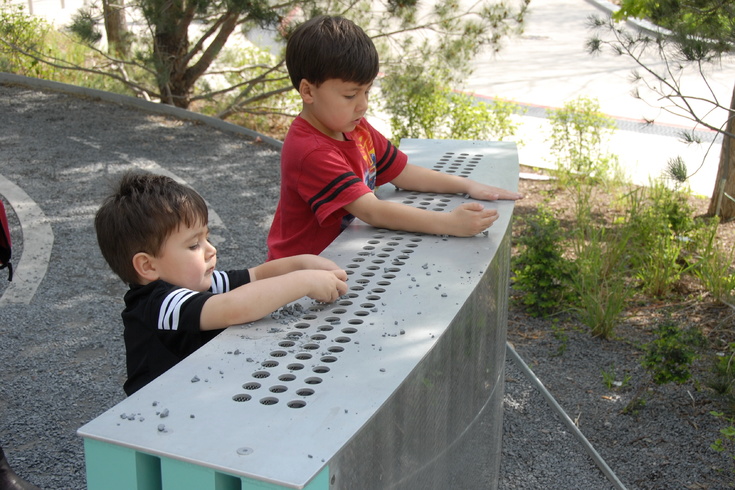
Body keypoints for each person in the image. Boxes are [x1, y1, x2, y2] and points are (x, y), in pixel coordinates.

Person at [266, 15, 523, 260]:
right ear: (308, 91)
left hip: (337, 258)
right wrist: (448, 223)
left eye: (367, 91)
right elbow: (371, 211)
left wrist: (467, 186)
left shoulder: (354, 127)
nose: (362, 105)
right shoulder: (311, 150)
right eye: (350, 95)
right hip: (296, 276)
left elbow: (401, 172)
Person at [95, 172, 348, 395]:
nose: (211, 250)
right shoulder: (158, 304)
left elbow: (256, 276)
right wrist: (303, 282)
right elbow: (234, 307)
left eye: (207, 238)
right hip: (159, 416)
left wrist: (302, 263)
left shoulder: (194, 283)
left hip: (199, 392)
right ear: (148, 266)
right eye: (194, 245)